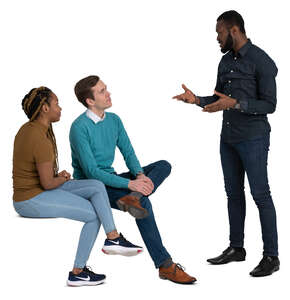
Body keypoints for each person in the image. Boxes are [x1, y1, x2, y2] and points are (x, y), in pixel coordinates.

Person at [173, 10, 279, 277]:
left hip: (253, 138)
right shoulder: (225, 62)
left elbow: (270, 105)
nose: (217, 38)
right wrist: (197, 100)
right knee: (233, 194)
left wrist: (236, 103)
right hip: (228, 139)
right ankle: (237, 248)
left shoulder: (262, 61)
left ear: (234, 30)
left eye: (219, 32)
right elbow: (219, 98)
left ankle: (271, 256)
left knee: (260, 195)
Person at [69, 75, 196, 284]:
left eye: (106, 89)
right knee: (144, 202)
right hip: (93, 187)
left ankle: (133, 197)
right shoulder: (79, 127)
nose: (108, 93)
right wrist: (129, 184)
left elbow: (128, 152)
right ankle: (165, 266)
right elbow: (91, 172)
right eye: (102, 91)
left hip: (111, 179)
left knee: (163, 165)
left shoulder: (114, 120)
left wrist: (139, 175)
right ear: (89, 101)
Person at [12, 86, 143, 287]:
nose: (60, 108)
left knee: (97, 185)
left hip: (39, 189)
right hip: (30, 200)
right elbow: (47, 184)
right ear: (45, 108)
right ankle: (78, 272)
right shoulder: (39, 138)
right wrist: (62, 179)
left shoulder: (30, 129)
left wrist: (59, 176)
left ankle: (113, 238)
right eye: (56, 103)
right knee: (93, 215)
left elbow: (39, 174)